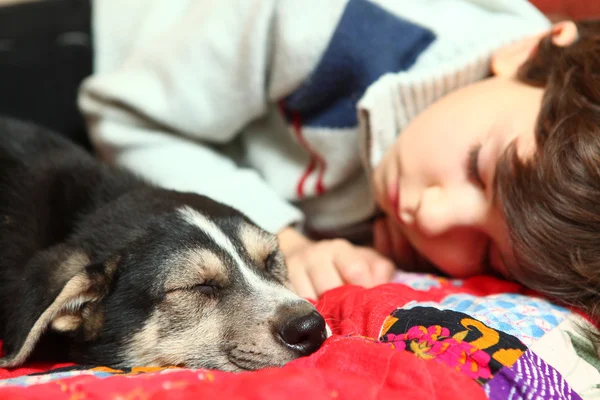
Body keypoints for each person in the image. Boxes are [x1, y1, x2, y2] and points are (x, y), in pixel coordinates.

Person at [77, 0, 600, 328]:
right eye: (477, 167)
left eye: (489, 253)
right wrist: (287, 237)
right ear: (527, 52)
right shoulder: (328, 22)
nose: (431, 216)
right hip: (119, 43)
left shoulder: (450, 184)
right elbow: (126, 114)